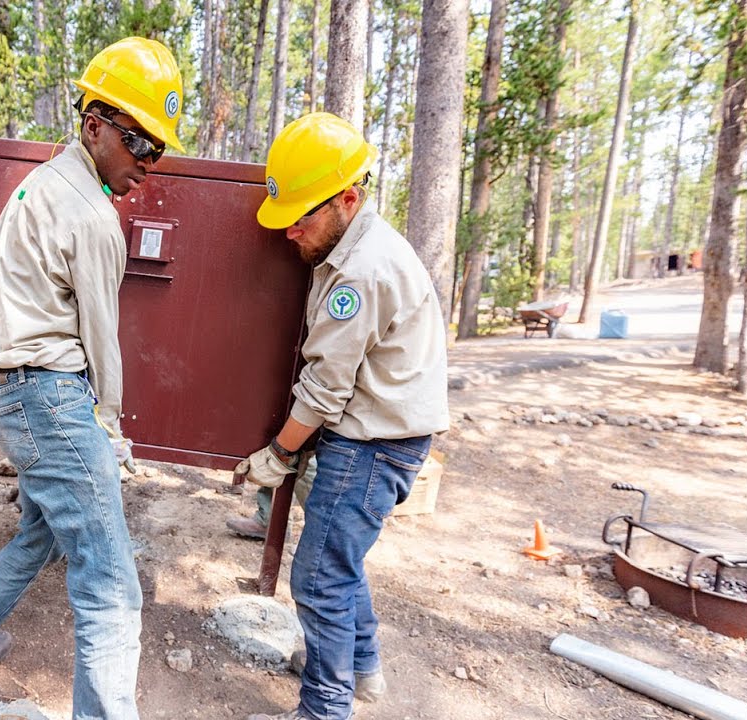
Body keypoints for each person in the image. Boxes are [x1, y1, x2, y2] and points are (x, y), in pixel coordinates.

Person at [0, 37, 184, 719]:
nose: (148, 164)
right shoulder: (92, 216)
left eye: (157, 150)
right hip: (53, 400)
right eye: (139, 143)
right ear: (95, 126)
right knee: (111, 587)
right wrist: (110, 426)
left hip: (19, 401)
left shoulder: (34, 189)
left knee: (41, 533)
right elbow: (101, 338)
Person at [239, 113, 450, 720]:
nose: (290, 233)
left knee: (318, 578)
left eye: (300, 218)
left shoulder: (361, 272)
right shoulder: (356, 248)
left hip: (372, 446)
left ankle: (325, 709)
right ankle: (360, 667)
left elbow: (324, 390)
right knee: (339, 560)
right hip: (384, 438)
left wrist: (279, 454)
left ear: (347, 200)